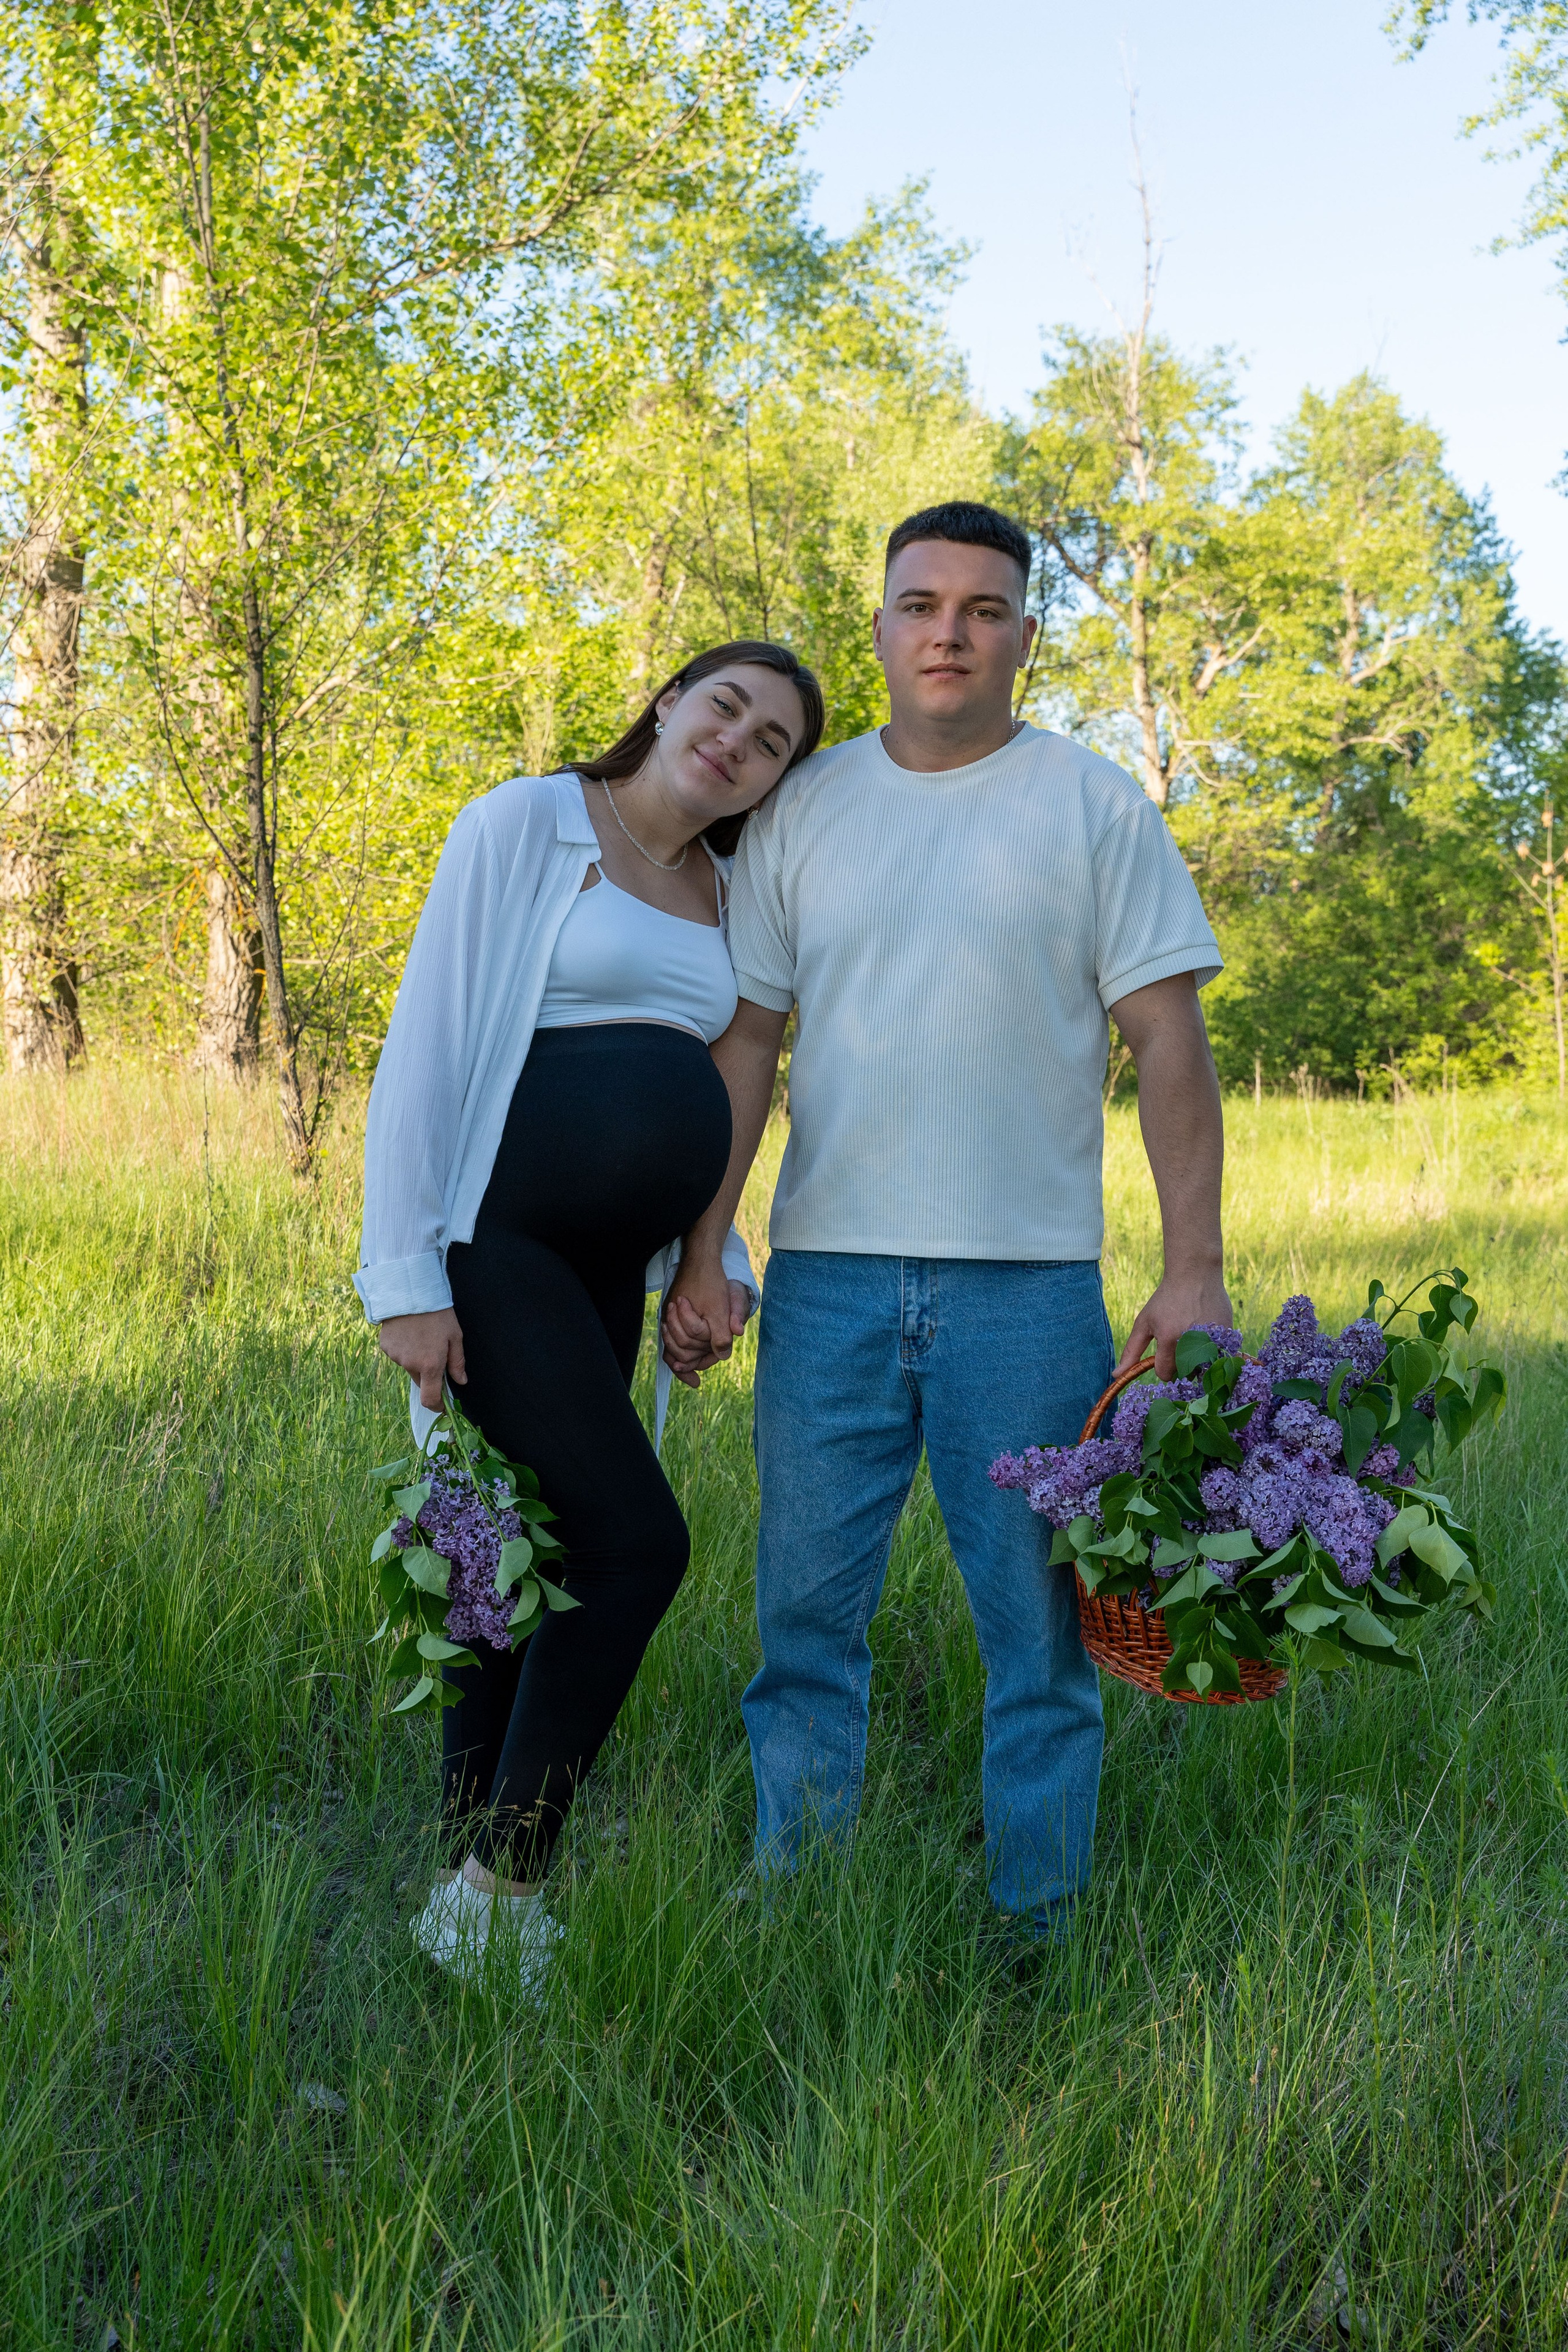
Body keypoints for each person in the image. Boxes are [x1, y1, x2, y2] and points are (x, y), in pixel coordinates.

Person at [662, 503, 1229, 1940]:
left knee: (1038, 1639)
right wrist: (706, 1244)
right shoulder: (803, 805)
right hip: (830, 1279)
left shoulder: (1093, 806)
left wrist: (1194, 1269)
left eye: (984, 610)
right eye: (922, 604)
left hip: (1028, 1294)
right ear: (880, 626)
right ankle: (799, 1903)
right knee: (802, 1622)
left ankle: (1036, 1930)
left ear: (1024, 639)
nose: (949, 631)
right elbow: (747, 1046)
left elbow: (1166, 1040)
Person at [356, 639, 825, 1986]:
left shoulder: (726, 891)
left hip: (604, 1270)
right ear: (669, 699)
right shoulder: (530, 822)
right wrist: (407, 1283)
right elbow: (428, 1043)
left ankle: (456, 1874)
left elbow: (724, 1080)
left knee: (515, 1555)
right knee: (634, 1549)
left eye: (772, 740)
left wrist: (710, 1259)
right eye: (725, 705)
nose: (737, 740)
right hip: (492, 1242)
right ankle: (501, 1888)